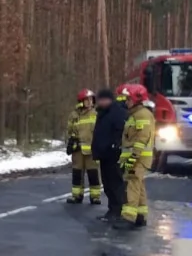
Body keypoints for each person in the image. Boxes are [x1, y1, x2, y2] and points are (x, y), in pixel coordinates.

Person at [117, 84, 156, 229]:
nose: (126, 102)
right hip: (136, 158)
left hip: (138, 158)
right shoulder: (136, 114)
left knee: (132, 185)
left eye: (129, 99)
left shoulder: (142, 115)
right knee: (138, 185)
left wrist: (133, 157)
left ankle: (128, 217)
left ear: (137, 99)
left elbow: (141, 139)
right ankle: (140, 215)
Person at [92, 87, 128, 221]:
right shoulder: (102, 113)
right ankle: (112, 210)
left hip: (113, 154)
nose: (100, 102)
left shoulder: (117, 112)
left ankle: (118, 210)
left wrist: (115, 145)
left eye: (103, 100)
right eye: (99, 100)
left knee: (115, 183)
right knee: (107, 184)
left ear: (109, 100)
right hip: (104, 154)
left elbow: (121, 130)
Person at [66, 89, 101, 204]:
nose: (90, 102)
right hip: (78, 150)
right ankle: (77, 195)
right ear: (81, 101)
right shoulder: (74, 115)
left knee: (93, 174)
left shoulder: (96, 114)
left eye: (91, 100)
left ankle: (95, 196)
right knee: (77, 173)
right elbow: (69, 131)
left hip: (92, 151)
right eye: (87, 100)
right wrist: (71, 141)